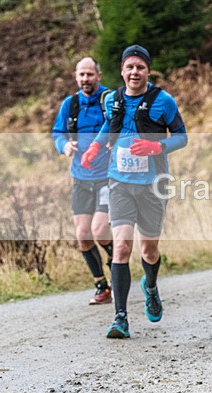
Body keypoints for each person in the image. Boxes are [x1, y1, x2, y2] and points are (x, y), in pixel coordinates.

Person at [81, 45, 188, 339]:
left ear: (147, 71)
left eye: (140, 67)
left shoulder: (163, 101)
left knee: (149, 250)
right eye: (129, 67)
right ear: (122, 71)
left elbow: (182, 137)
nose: (134, 72)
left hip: (153, 185)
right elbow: (109, 127)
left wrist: (158, 146)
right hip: (119, 183)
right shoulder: (114, 99)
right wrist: (95, 146)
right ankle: (121, 318)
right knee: (122, 246)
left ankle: (151, 286)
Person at [52, 57, 114, 305]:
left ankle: (116, 259)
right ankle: (102, 285)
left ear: (98, 75)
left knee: (99, 230)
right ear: (75, 77)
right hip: (80, 178)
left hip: (107, 177)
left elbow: (121, 125)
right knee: (83, 236)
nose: (86, 79)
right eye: (82, 75)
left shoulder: (108, 99)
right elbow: (57, 133)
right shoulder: (71, 104)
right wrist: (64, 145)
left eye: (90, 74)